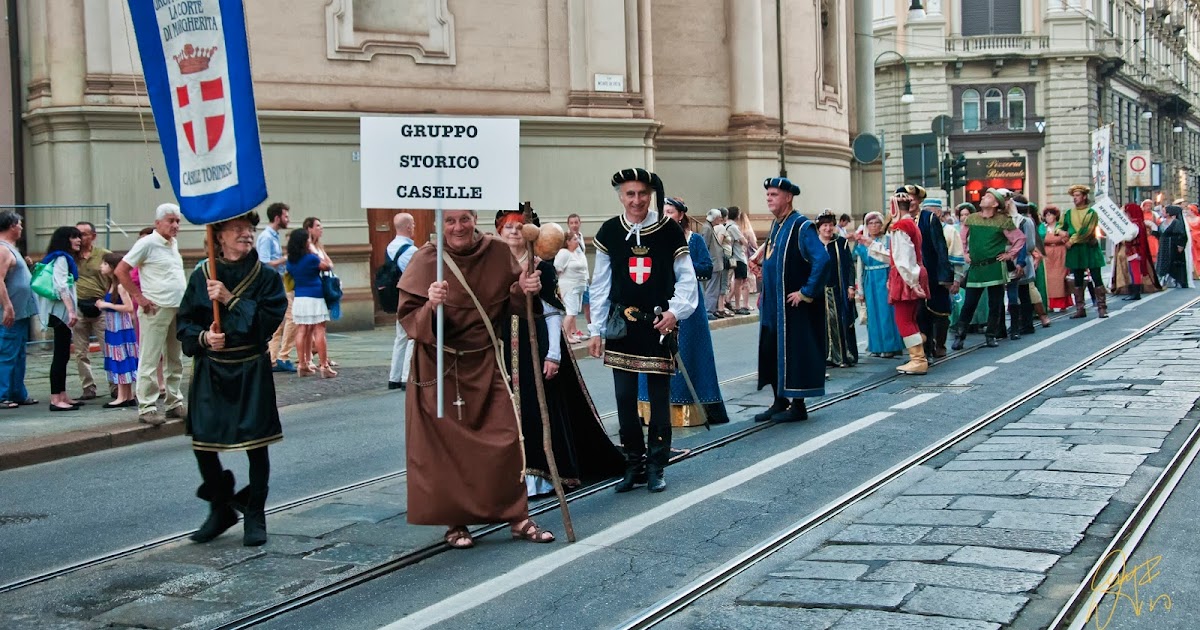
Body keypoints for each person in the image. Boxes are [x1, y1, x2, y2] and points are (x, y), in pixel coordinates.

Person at [397, 208, 556, 549]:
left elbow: (512, 307)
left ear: (474, 220)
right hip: (438, 367)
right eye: (450, 221)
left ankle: (518, 517)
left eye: (464, 219)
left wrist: (524, 289)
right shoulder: (426, 259)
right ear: (440, 225)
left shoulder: (497, 252)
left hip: (485, 361)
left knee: (506, 437)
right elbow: (410, 321)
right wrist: (432, 306)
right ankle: (456, 523)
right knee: (447, 450)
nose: (458, 227)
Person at [176, 211, 286, 547]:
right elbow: (185, 323)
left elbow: (267, 321)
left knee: (256, 444)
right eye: (237, 229)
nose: (246, 234)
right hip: (212, 368)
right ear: (217, 237)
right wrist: (204, 339)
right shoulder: (202, 275)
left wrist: (229, 299)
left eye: (249, 228)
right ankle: (221, 507)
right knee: (203, 443)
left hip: (250, 366)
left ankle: (255, 513)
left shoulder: (265, 277)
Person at [495, 209, 624, 496]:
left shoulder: (542, 266)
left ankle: (541, 473)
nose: (514, 232)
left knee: (533, 407)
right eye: (508, 227)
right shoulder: (493, 265)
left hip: (534, 344)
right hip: (502, 345)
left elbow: (554, 313)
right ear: (499, 231)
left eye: (519, 227)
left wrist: (553, 354)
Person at [588, 167, 697, 494]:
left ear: (650, 195)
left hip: (657, 325)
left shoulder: (669, 231)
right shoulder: (609, 231)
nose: (636, 200)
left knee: (659, 399)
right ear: (621, 196)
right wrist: (595, 328)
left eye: (641, 194)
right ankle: (633, 463)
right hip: (622, 326)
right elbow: (600, 285)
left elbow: (687, 277)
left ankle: (656, 465)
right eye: (629, 194)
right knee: (624, 398)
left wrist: (675, 313)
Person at [638, 198, 730, 425]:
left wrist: (682, 268)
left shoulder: (694, 239)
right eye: (664, 212)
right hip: (661, 299)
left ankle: (693, 405)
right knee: (654, 352)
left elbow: (706, 268)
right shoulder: (654, 239)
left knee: (688, 351)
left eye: (670, 212)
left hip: (689, 303)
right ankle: (652, 408)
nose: (666, 215)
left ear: (680, 215)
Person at [753, 177, 829, 422]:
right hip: (773, 306)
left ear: (788, 197)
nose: (769, 198)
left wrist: (806, 292)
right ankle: (779, 400)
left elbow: (822, 260)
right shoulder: (777, 225)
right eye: (767, 195)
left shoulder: (801, 226)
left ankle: (798, 406)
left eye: (774, 194)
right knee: (772, 352)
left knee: (795, 354)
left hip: (793, 308)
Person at [116, 203, 187, 425]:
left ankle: (174, 402)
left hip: (175, 306)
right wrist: (139, 298)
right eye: (170, 220)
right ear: (158, 223)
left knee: (175, 358)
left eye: (177, 221)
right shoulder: (147, 243)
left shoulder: (172, 243)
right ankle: (146, 406)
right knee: (150, 357)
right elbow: (121, 270)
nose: (175, 225)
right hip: (155, 307)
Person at [951, 188, 1026, 350]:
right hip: (977, 268)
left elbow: (1020, 238)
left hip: (995, 267)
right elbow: (962, 237)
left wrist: (1010, 254)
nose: (983, 197)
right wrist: (964, 253)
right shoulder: (972, 218)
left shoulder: (1003, 220)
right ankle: (960, 335)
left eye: (987, 196)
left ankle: (991, 335)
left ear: (994, 203)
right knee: (969, 303)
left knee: (995, 302)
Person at [878, 189, 930, 375]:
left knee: (904, 320)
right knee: (910, 319)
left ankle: (918, 360)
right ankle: (919, 352)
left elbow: (902, 259)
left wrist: (912, 282)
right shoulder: (910, 224)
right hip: (911, 274)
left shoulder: (900, 226)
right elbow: (900, 256)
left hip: (905, 278)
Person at [37, 226, 82, 411]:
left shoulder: (59, 257)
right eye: (74, 237)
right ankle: (56, 399)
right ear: (65, 240)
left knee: (63, 355)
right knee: (60, 355)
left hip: (59, 312)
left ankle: (62, 395)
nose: (78, 240)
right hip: (59, 312)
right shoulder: (62, 258)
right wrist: (71, 311)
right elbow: (61, 286)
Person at [285, 228, 336, 378]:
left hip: (300, 297)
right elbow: (327, 265)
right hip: (315, 295)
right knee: (319, 329)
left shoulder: (291, 261)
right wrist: (315, 251)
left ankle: (302, 364)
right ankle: (324, 365)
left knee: (302, 330)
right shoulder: (311, 258)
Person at [852, 211, 903, 358]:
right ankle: (875, 346)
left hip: (885, 278)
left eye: (877, 223)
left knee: (887, 313)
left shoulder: (888, 240)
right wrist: (860, 290)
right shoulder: (862, 242)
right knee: (873, 314)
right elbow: (860, 267)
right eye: (871, 223)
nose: (874, 226)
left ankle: (890, 346)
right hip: (870, 280)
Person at [70, 221, 112, 400]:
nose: (81, 237)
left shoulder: (103, 255)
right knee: (80, 351)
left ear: (93, 236)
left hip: (99, 306)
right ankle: (88, 387)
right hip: (79, 306)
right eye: (78, 234)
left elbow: (118, 275)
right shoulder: (71, 256)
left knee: (108, 348)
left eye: (84, 234)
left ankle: (116, 385)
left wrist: (108, 297)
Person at [0, 211, 37, 408]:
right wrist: (7, 307)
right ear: (12, 225)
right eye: (20, 224)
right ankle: (2, 394)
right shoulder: (3, 250)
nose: (22, 228)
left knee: (18, 353)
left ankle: (17, 392)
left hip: (20, 312)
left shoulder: (11, 249)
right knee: (7, 352)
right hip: (10, 313)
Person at [95, 252, 137, 408]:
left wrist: (107, 305)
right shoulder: (112, 284)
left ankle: (122, 396)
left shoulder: (120, 286)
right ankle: (127, 395)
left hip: (120, 326)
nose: (102, 266)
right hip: (114, 326)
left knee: (121, 358)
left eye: (105, 264)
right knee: (120, 357)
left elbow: (128, 307)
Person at [258, 202, 297, 373]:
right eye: (286, 216)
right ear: (277, 217)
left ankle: (273, 358)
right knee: (292, 318)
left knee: (280, 322)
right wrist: (286, 258)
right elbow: (265, 263)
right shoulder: (266, 237)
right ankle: (283, 356)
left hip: (280, 280)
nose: (288, 219)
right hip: (274, 282)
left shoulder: (273, 236)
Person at [913, 195, 953, 360]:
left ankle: (937, 345)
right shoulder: (898, 220)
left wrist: (945, 276)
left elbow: (940, 248)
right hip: (911, 275)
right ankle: (923, 350)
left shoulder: (928, 219)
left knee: (937, 311)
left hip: (931, 274)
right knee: (918, 314)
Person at [816, 210, 858, 368]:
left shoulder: (841, 243)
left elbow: (849, 266)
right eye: (824, 225)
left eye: (830, 225)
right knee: (822, 323)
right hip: (819, 292)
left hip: (838, 290)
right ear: (819, 228)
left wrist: (850, 286)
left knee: (841, 321)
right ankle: (826, 356)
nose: (828, 228)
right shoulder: (814, 244)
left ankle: (843, 356)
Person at [1062, 185, 1108, 318]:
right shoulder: (1069, 213)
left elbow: (1086, 231)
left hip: (1089, 247)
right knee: (1077, 279)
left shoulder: (1091, 213)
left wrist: (1071, 240)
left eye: (1077, 196)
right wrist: (1061, 233)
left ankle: (1102, 307)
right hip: (1076, 250)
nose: (1075, 198)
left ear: (1084, 197)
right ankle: (1080, 308)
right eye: (1074, 196)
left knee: (1096, 277)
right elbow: (1061, 225)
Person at [300, 217, 336, 370]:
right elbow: (326, 265)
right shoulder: (308, 249)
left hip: (314, 289)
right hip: (314, 290)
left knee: (310, 327)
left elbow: (330, 263)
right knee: (313, 327)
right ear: (309, 228)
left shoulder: (318, 246)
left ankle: (312, 360)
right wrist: (325, 264)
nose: (321, 229)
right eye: (318, 226)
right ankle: (318, 362)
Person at [386, 213, 418, 389]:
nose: (413, 227)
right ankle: (406, 376)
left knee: (400, 337)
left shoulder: (390, 247)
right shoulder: (411, 251)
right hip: (409, 297)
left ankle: (394, 376)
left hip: (395, 297)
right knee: (412, 336)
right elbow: (417, 275)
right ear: (407, 227)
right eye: (412, 224)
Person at [1111, 202, 1160, 300]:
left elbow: (1129, 237)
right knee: (1133, 271)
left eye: (1127, 212)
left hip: (1134, 251)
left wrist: (1121, 233)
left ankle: (1136, 293)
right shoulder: (1138, 222)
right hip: (1135, 251)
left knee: (1134, 272)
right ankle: (1134, 292)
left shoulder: (1134, 224)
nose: (1126, 214)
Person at [1005, 194, 1036, 340]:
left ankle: (1025, 323)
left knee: (1022, 293)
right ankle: (1026, 323)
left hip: (1021, 258)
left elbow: (1026, 243)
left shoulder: (1023, 221)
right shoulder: (1028, 220)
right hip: (1023, 257)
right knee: (1024, 293)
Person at [554, 229, 590, 343]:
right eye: (575, 239)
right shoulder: (564, 253)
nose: (577, 241)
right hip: (569, 286)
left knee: (574, 312)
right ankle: (564, 337)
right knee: (571, 312)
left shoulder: (577, 253)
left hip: (580, 286)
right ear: (568, 241)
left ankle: (570, 334)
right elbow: (557, 269)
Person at [1040, 206, 1073, 312]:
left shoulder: (1060, 227)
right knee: (1048, 279)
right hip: (1047, 255)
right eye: (1046, 215)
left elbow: (1066, 238)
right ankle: (1049, 303)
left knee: (1060, 278)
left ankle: (1062, 303)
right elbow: (1040, 239)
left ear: (1055, 216)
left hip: (1060, 253)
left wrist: (1060, 238)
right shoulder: (1043, 227)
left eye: (1050, 214)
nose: (1048, 217)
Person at [565, 213, 593, 329]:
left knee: (588, 303)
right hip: (573, 278)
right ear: (568, 224)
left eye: (576, 222)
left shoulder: (580, 236)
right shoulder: (566, 238)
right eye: (571, 223)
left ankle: (591, 327)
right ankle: (572, 331)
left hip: (584, 277)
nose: (574, 225)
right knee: (573, 307)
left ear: (580, 223)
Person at [1155, 204, 1190, 288]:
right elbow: (1160, 233)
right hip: (1164, 245)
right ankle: (1163, 278)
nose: (1162, 212)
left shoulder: (1176, 222)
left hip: (1172, 245)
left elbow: (1181, 234)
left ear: (1169, 213)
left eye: (1164, 211)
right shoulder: (1163, 222)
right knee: (1163, 261)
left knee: (1172, 261)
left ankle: (1174, 279)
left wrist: (1180, 245)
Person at [725, 206, 751, 315]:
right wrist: (745, 239)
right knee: (739, 282)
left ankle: (728, 299)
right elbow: (744, 241)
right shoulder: (733, 227)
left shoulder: (726, 225)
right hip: (738, 257)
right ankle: (737, 305)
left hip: (733, 256)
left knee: (739, 281)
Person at [702, 208, 728, 319]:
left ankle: (710, 309)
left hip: (715, 263)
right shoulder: (707, 228)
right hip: (713, 263)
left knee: (713, 287)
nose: (720, 220)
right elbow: (705, 246)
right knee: (712, 287)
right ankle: (709, 310)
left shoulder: (709, 227)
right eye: (718, 218)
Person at [735, 205, 759, 311]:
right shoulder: (748, 231)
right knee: (746, 280)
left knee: (736, 280)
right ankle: (745, 303)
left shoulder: (736, 229)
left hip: (737, 255)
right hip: (746, 257)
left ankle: (733, 297)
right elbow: (754, 245)